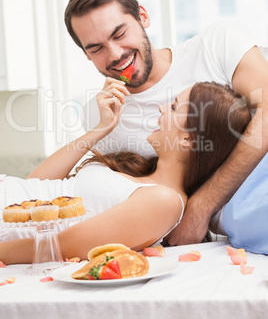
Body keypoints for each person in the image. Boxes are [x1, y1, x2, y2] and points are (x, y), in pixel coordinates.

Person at [64, 0, 268, 246]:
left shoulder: (216, 46)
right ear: (86, 55)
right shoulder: (101, 115)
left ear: (142, 16)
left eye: (119, 34)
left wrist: (201, 206)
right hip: (231, 239)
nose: (115, 54)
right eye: (96, 48)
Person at [0, 81, 251, 264]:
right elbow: (35, 184)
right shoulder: (139, 170)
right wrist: (101, 129)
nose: (163, 108)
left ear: (188, 140)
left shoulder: (165, 202)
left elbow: (64, 246)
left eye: (174, 107)